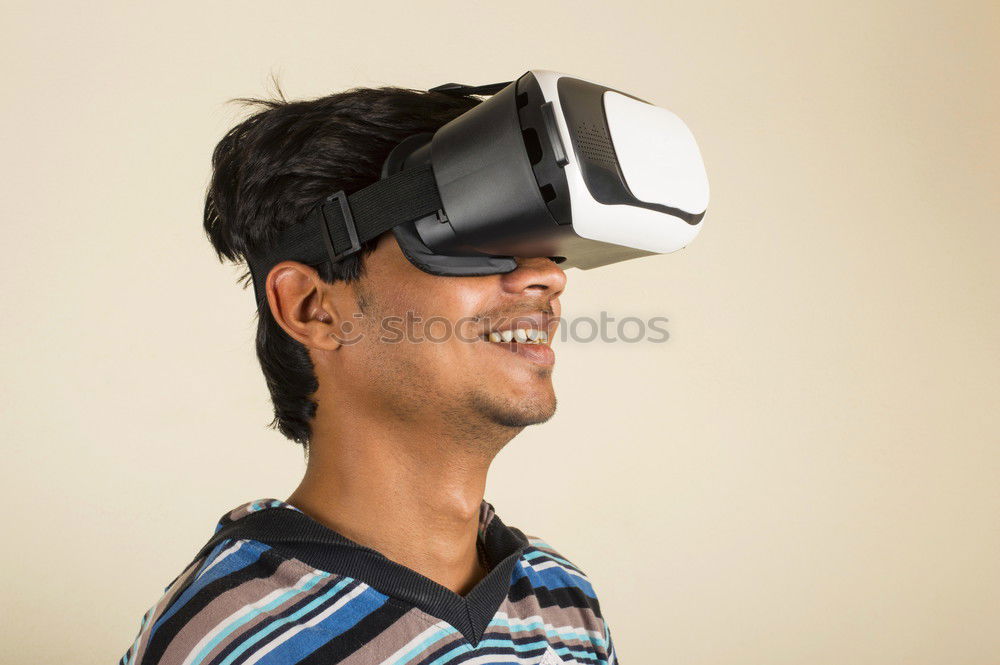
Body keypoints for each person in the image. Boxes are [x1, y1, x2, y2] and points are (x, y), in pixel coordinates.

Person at [118, 83, 618, 665]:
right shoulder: (236, 637)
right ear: (313, 307)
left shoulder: (564, 601)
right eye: (475, 234)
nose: (548, 277)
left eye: (547, 249)